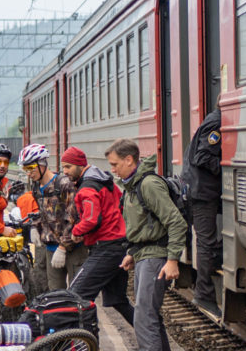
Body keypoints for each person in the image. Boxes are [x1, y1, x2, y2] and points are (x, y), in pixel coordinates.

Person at [107, 139, 187, 351]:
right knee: (148, 316)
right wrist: (132, 253)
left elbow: (176, 222)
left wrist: (172, 260)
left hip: (155, 257)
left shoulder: (148, 185)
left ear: (129, 159)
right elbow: (145, 225)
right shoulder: (133, 186)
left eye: (115, 164)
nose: (112, 169)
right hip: (144, 255)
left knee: (144, 318)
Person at [61, 146, 135, 326]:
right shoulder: (105, 181)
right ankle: (152, 335)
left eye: (68, 167)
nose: (65, 171)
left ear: (80, 165)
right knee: (118, 300)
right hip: (119, 245)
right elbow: (121, 206)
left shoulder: (87, 188)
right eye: (63, 167)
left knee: (76, 295)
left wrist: (76, 232)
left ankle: (85, 339)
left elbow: (91, 219)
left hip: (106, 248)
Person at [18, 143, 86, 291]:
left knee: (77, 293)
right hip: (51, 248)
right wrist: (35, 226)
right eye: (25, 169)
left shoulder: (63, 184)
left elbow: (74, 218)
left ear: (42, 164)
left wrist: (63, 247)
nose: (28, 173)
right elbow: (43, 212)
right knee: (55, 293)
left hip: (73, 248)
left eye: (31, 168)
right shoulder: (36, 187)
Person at [181, 106, 223, 319]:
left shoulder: (213, 119)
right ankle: (204, 294)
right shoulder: (217, 123)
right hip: (202, 191)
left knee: (208, 241)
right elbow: (202, 157)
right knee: (205, 242)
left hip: (201, 189)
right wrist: (226, 169)